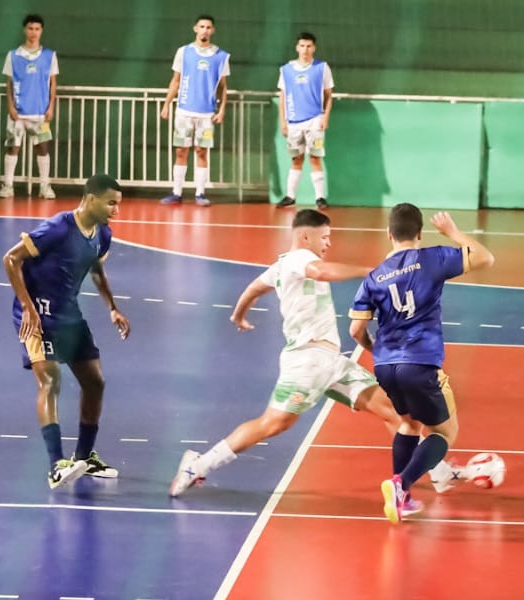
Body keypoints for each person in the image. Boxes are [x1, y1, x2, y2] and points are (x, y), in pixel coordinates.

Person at [170, 209, 404, 495]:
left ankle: (423, 475)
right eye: (325, 237)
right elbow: (321, 272)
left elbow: (254, 288)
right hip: (307, 360)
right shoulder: (301, 258)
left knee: (392, 409)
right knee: (273, 424)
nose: (328, 243)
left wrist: (238, 315)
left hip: (331, 361)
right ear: (306, 236)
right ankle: (199, 464)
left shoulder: (282, 265)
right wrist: (371, 272)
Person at [348, 205, 496, 523]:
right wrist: (453, 233)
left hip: (386, 365)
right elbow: (485, 258)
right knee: (444, 432)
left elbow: (355, 330)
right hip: (420, 361)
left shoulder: (374, 277)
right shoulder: (431, 258)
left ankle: (402, 499)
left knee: (409, 425)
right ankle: (401, 484)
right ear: (419, 233)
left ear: (389, 234)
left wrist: (376, 351)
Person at [1, 174, 131, 489]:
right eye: (111, 202)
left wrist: (112, 307)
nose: (116, 210)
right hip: (37, 318)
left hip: (69, 316)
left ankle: (84, 459)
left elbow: (96, 267)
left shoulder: (103, 234)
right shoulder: (58, 228)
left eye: (118, 204)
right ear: (90, 198)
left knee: (95, 382)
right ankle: (57, 464)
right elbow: (11, 259)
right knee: (50, 381)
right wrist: (27, 305)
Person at [159, 15, 230, 207]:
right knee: (181, 151)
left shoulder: (221, 56)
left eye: (208, 27)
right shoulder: (184, 52)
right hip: (184, 110)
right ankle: (177, 192)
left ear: (212, 30)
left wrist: (222, 109)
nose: (205, 30)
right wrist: (167, 104)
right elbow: (176, 80)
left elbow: (223, 86)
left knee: (201, 151)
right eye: (202, 26)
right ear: (195, 29)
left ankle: (200, 193)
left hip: (206, 112)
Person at [0, 15, 59, 199]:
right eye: (30, 28)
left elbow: (53, 83)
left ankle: (44, 186)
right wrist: (10, 106)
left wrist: (51, 107)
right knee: (12, 148)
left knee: (42, 148)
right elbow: (8, 83)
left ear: (42, 31)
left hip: (40, 112)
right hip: (18, 112)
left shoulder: (49, 56)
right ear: (25, 30)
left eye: (37, 29)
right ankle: (8, 185)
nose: (33, 32)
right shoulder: (13, 55)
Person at [276, 32, 335, 211]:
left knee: (315, 158)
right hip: (294, 122)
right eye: (302, 46)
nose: (305, 50)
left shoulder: (322, 68)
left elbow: (328, 95)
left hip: (314, 120)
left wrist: (325, 117)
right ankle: (290, 196)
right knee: (296, 159)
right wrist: (283, 122)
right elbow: (283, 96)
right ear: (297, 47)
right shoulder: (286, 69)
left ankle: (320, 197)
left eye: (309, 46)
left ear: (314, 48)